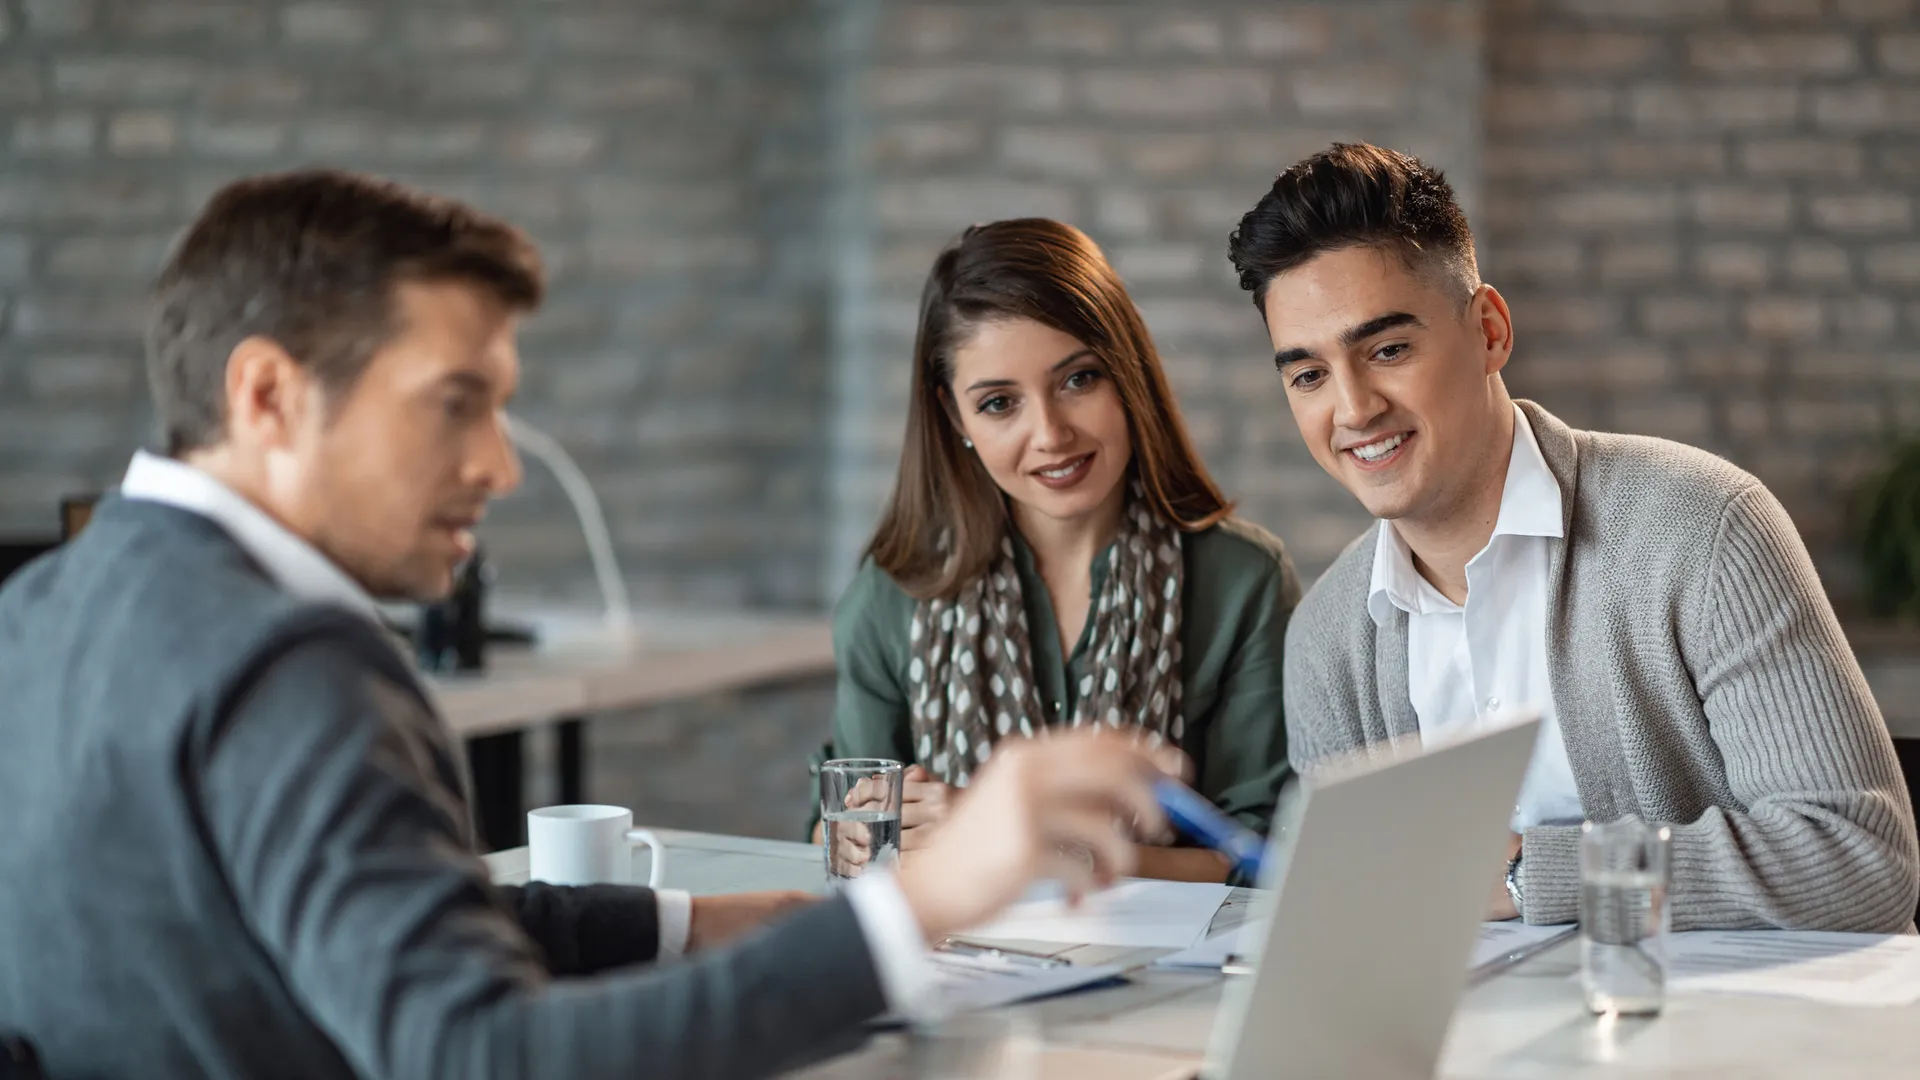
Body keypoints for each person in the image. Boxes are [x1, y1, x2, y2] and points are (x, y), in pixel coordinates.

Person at [0, 169, 1189, 1080]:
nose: (500, 466)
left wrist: (686, 923)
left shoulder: (46, 610)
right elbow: (485, 1056)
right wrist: (914, 911)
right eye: (457, 405)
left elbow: (375, 927)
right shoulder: (290, 663)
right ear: (267, 395)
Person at [1226, 142, 1920, 932]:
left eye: (1388, 350)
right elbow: (1365, 919)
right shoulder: (1327, 638)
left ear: (1488, 330)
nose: (1352, 409)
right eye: (1308, 375)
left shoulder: (1705, 529)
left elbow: (1861, 859)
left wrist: (1530, 874)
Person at [820, 218, 1300, 885]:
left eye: (1079, 380)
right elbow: (841, 810)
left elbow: (1261, 858)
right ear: (954, 417)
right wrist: (849, 833)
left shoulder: (1241, 582)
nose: (1050, 433)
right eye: (998, 403)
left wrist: (1023, 839)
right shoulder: (892, 592)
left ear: (1126, 371)